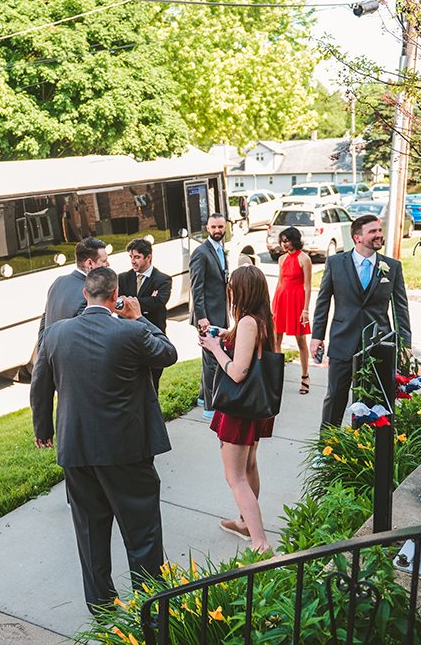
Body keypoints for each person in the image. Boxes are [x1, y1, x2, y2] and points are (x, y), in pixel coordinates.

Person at [30, 267, 178, 615]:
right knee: (142, 535)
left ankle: (104, 615)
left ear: (85, 294)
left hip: (76, 449)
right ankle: (150, 612)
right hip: (126, 451)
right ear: (116, 297)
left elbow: (39, 386)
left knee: (91, 534)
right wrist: (140, 317)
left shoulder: (54, 334)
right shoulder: (131, 332)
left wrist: (43, 430)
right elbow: (168, 353)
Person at [198, 265, 277, 555]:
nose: (228, 290)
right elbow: (250, 350)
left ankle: (260, 543)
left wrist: (213, 348)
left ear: (241, 290)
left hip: (239, 407)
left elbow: (238, 371)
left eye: (231, 286)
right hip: (256, 406)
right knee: (249, 466)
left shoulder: (247, 322)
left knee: (236, 476)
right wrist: (222, 336)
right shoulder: (264, 318)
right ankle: (245, 523)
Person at [309, 215, 411, 427]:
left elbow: (400, 308)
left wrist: (404, 344)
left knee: (373, 400)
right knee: (335, 396)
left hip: (378, 344)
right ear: (357, 237)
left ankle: (364, 447)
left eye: (379, 230)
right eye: (372, 231)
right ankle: (326, 449)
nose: (379, 235)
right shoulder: (335, 263)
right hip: (342, 341)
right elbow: (323, 303)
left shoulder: (392, 266)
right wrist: (316, 337)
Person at [36, 237, 109, 354]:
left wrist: (43, 354)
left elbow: (44, 321)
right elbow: (90, 341)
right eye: (104, 261)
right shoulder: (89, 294)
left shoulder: (58, 282)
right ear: (89, 263)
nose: (108, 264)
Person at [118, 238, 173, 393]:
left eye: (137, 257)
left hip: (152, 336)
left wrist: (131, 302)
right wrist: (149, 300)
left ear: (148, 257)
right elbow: (119, 304)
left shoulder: (163, 279)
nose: (132, 261)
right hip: (128, 336)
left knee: (153, 384)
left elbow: (159, 302)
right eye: (130, 257)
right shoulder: (123, 278)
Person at [189, 213, 229, 419]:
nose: (217, 231)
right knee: (213, 360)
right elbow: (196, 288)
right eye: (213, 227)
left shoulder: (221, 250)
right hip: (207, 317)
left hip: (220, 313)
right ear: (207, 228)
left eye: (220, 227)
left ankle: (203, 398)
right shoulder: (200, 253)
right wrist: (201, 317)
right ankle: (211, 409)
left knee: (209, 359)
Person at [271, 227, 313, 395]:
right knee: (276, 338)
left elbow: (308, 286)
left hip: (297, 300)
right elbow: (279, 282)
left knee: (301, 339)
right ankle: (277, 376)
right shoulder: (281, 259)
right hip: (281, 299)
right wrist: (273, 304)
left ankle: (305, 377)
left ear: (295, 239)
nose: (284, 244)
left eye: (287, 240)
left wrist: (306, 310)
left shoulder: (304, 259)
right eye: (282, 241)